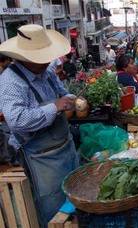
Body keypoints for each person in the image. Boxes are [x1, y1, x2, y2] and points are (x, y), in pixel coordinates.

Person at [0, 24, 79, 226]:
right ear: (26, 57)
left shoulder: (47, 72)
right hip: (41, 159)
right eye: (41, 57)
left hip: (65, 147)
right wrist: (55, 107)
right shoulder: (10, 81)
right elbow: (17, 120)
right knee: (53, 210)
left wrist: (71, 99)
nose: (47, 61)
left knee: (75, 198)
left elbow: (62, 93)